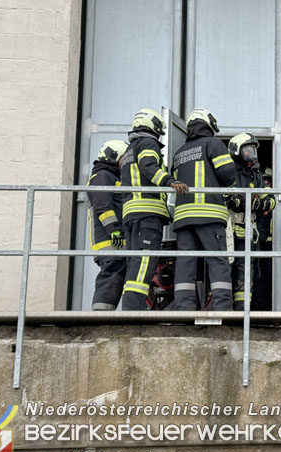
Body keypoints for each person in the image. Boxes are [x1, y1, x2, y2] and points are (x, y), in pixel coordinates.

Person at [120, 108, 188, 310]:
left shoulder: (127, 150)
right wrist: (169, 181)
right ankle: (133, 309)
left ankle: (131, 306)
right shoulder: (148, 143)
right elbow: (148, 166)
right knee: (144, 263)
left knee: (135, 263)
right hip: (147, 214)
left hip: (132, 214)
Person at [169, 108, 235, 311]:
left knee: (185, 263)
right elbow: (228, 173)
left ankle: (184, 307)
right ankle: (222, 307)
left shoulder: (179, 152)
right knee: (217, 260)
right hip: (208, 214)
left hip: (183, 217)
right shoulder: (213, 144)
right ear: (208, 124)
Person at [226, 133, 274, 310]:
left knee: (246, 274)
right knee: (226, 271)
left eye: (253, 150)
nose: (252, 154)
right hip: (229, 233)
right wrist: (251, 202)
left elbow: (271, 200)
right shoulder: (229, 173)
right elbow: (231, 200)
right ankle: (226, 310)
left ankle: (242, 312)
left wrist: (254, 203)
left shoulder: (256, 175)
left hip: (249, 234)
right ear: (236, 151)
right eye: (247, 150)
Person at [86, 139, 129, 311]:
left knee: (117, 275)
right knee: (111, 274)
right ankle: (100, 316)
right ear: (114, 157)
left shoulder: (110, 176)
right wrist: (115, 231)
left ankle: (105, 314)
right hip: (109, 240)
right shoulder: (103, 176)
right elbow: (103, 206)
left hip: (113, 240)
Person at [252, 167, 275, 311]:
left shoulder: (273, 199)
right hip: (259, 244)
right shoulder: (258, 199)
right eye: (264, 181)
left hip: (274, 245)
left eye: (268, 181)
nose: (266, 184)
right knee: (260, 281)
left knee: (271, 281)